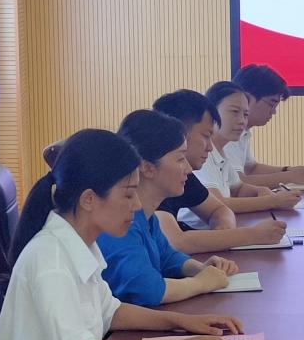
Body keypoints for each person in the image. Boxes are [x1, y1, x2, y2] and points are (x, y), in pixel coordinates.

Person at [0, 129, 244, 340]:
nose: (137, 205)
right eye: (128, 194)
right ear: (88, 199)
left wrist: (184, 323)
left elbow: (112, 311)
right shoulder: (50, 261)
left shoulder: (80, 242)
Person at [96, 110, 241, 306]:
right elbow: (145, 290)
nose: (188, 169)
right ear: (147, 167)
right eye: (180, 159)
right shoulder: (119, 221)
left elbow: (166, 256)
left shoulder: (146, 216)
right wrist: (200, 283)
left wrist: (201, 269)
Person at [152, 89, 288, 251]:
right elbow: (177, 243)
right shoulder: (153, 176)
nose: (210, 147)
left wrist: (224, 231)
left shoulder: (182, 172)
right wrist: (254, 234)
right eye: (206, 136)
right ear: (179, 134)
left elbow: (220, 209)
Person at [199, 80, 302, 214]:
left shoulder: (220, 151)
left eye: (245, 114)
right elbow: (217, 204)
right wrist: (273, 200)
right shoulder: (202, 153)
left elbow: (238, 188)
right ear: (211, 112)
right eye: (234, 112)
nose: (242, 121)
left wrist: (261, 190)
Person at [226, 64, 304, 187]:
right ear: (247, 98)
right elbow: (237, 184)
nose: (274, 112)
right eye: (271, 104)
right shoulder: (227, 130)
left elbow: (251, 169)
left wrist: (288, 170)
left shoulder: (243, 131)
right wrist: (290, 177)